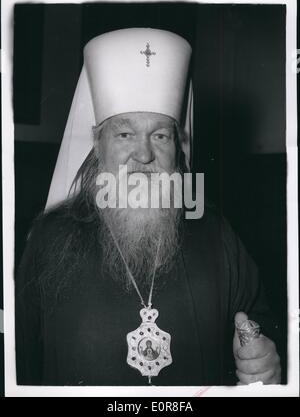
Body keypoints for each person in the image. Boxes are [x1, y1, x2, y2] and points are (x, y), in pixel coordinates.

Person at [15, 28, 281, 386]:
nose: (143, 155)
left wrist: (264, 358)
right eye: (125, 134)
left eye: (160, 135)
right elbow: (20, 366)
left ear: (177, 147)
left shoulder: (217, 235)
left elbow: (266, 323)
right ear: (97, 143)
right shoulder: (49, 240)